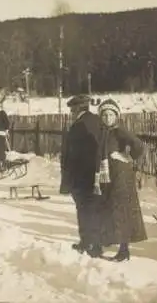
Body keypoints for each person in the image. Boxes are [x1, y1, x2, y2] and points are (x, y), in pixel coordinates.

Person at [94, 99, 147, 261]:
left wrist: (127, 156)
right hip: (108, 176)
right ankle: (103, 243)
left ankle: (124, 251)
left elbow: (139, 145)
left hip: (122, 176)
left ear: (116, 116)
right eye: (105, 114)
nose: (108, 117)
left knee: (122, 211)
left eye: (111, 114)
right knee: (107, 209)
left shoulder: (119, 130)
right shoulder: (103, 131)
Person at [60, 94, 103, 257]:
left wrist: (69, 178)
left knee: (84, 210)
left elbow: (73, 155)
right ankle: (94, 242)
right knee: (95, 209)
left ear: (77, 109)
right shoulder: (98, 121)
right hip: (96, 174)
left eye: (72, 110)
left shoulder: (79, 126)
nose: (71, 113)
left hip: (82, 177)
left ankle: (88, 243)